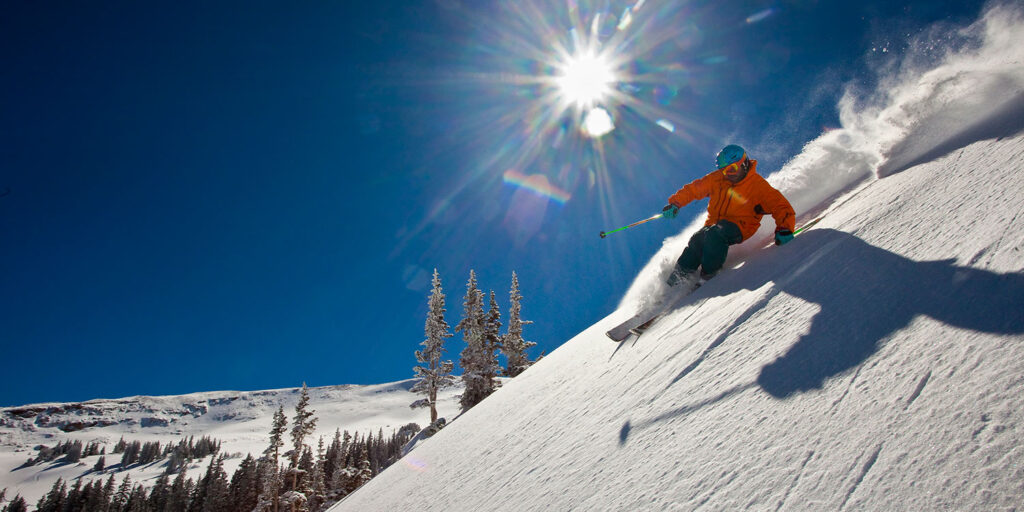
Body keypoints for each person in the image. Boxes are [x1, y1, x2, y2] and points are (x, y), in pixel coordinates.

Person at [661, 144, 795, 287]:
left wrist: (785, 228)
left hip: (741, 225)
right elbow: (694, 189)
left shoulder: (758, 186)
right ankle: (674, 283)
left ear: (744, 163)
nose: (728, 174)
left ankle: (709, 276)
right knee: (697, 239)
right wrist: (676, 203)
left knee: (715, 233)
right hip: (714, 224)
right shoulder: (718, 179)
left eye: (732, 169)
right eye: (724, 170)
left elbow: (780, 206)